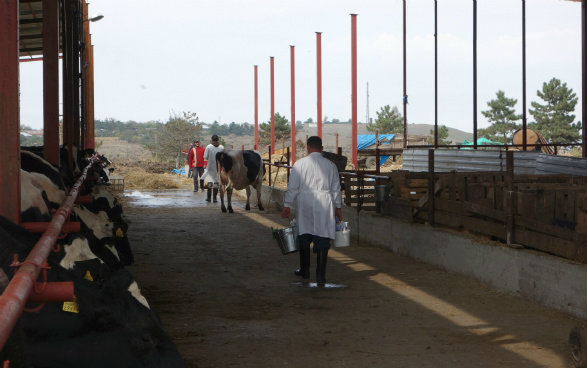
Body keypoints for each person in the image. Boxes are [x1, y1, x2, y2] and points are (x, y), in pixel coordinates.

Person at [280, 136, 342, 284]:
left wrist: (287, 205)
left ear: (308, 148)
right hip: (324, 202)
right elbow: (336, 189)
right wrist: (338, 207)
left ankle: (305, 271)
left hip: (305, 202)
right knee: (323, 236)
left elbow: (293, 187)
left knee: (304, 235)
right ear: (321, 148)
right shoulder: (331, 165)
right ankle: (320, 276)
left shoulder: (299, 164)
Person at [202, 135, 225, 202]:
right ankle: (214, 198)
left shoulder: (208, 147)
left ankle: (209, 198)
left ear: (212, 139)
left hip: (210, 167)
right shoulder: (221, 147)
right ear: (218, 139)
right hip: (218, 168)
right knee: (216, 183)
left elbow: (205, 157)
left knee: (210, 182)